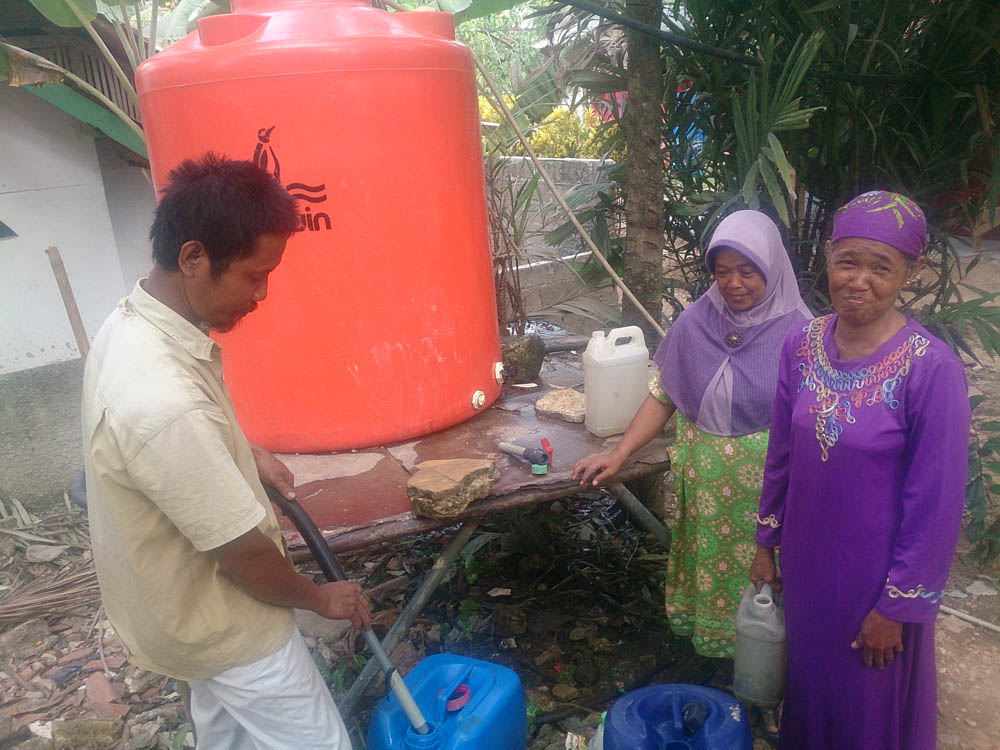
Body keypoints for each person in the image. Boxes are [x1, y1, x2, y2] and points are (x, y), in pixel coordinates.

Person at [82, 154, 370, 750]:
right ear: (193, 258)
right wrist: (323, 599)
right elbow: (245, 560)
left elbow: (183, 443)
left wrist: (243, 452)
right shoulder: (163, 400)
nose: (263, 294)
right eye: (252, 276)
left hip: (178, 616)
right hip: (231, 627)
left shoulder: (133, 322)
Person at [749, 191, 970, 749]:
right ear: (828, 257)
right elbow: (781, 453)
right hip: (807, 567)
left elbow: (936, 503)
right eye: (848, 261)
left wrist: (897, 607)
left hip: (875, 583)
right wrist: (765, 543)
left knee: (866, 704)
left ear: (910, 273)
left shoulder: (931, 369)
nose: (859, 280)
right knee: (811, 689)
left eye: (881, 267)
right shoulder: (801, 346)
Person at [574, 210, 811, 659]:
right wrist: (619, 453)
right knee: (710, 570)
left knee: (767, 579)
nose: (733, 283)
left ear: (772, 269)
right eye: (721, 272)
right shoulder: (698, 320)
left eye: (747, 271)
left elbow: (816, 428)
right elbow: (664, 396)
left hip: (768, 493)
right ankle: (716, 660)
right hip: (705, 485)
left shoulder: (802, 334)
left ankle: (766, 669)